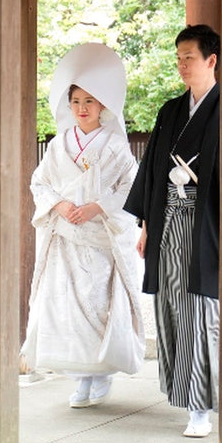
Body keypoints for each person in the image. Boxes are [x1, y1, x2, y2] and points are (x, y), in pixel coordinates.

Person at [124, 24, 222, 438]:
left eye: (189, 58)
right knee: (171, 310)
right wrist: (146, 227)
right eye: (178, 58)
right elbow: (152, 172)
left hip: (208, 226)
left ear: (211, 60)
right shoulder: (170, 111)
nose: (182, 66)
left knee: (201, 313)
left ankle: (201, 407)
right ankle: (183, 394)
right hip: (169, 222)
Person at [21, 43, 145, 408]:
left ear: (103, 105)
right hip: (66, 236)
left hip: (99, 235)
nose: (82, 109)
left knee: (98, 305)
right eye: (76, 102)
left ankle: (101, 372)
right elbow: (39, 182)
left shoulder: (116, 146)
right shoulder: (59, 144)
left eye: (90, 101)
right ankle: (80, 378)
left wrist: (96, 207)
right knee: (68, 308)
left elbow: (130, 187)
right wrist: (59, 204)